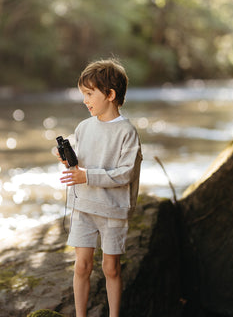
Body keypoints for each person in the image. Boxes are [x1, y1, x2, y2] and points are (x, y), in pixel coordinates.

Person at [57, 58, 142, 317]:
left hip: (113, 209)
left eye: (89, 94)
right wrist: (66, 158)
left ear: (110, 94)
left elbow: (125, 173)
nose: (85, 100)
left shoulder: (127, 132)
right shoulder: (84, 127)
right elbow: (80, 161)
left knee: (110, 268)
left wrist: (87, 176)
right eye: (84, 94)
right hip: (84, 206)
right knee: (81, 266)